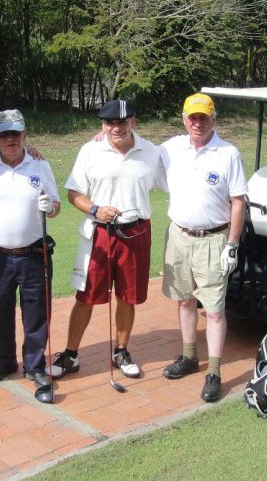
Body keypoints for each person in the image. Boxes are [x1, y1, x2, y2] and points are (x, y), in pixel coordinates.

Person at [53, 99, 163, 379]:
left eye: (122, 122)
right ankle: (71, 354)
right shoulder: (90, 150)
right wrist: (95, 209)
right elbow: (74, 193)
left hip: (136, 232)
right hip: (99, 233)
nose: (116, 128)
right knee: (86, 296)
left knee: (128, 296)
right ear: (102, 125)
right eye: (109, 123)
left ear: (133, 122)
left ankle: (121, 351)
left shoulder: (152, 151)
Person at [159, 92, 247, 402]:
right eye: (193, 117)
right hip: (179, 236)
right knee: (184, 300)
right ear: (184, 119)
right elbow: (135, 149)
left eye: (204, 117)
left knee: (213, 310)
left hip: (214, 239)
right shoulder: (170, 148)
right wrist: (103, 136)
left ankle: (214, 371)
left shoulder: (228, 153)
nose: (198, 123)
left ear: (213, 119)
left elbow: (238, 201)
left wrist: (232, 245)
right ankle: (189, 356)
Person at [0, 109, 63, 390]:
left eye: (15, 133)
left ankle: (34, 365)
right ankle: (5, 361)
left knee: (37, 313)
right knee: (0, 311)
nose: (10, 139)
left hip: (34, 254)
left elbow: (56, 205)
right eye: (4, 135)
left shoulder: (39, 164)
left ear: (25, 134)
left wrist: (50, 208)